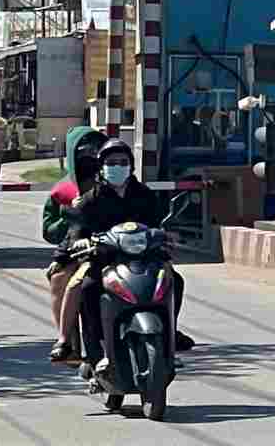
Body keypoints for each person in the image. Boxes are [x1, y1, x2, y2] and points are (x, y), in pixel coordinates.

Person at [69, 138, 192, 383]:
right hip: (105, 261)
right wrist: (80, 241)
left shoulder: (144, 195)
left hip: (145, 260)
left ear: (131, 166)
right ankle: (94, 355)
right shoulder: (89, 200)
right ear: (101, 167)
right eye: (112, 163)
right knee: (88, 289)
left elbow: (159, 224)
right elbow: (76, 230)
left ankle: (169, 336)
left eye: (123, 162)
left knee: (175, 281)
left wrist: (168, 236)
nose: (118, 167)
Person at [41, 126, 105, 363]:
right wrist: (68, 216)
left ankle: (168, 334)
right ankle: (65, 340)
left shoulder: (118, 185)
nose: (91, 156)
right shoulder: (61, 192)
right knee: (60, 279)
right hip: (78, 250)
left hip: (117, 247)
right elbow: (50, 232)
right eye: (84, 151)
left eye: (97, 150)